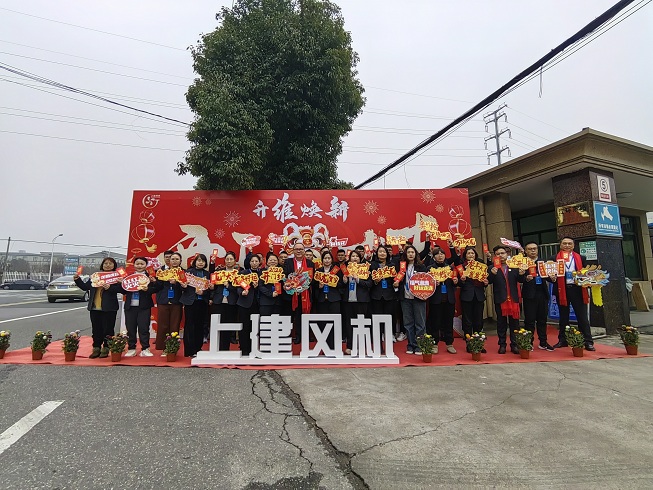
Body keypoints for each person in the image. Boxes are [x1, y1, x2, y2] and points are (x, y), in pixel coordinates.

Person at [550, 237, 595, 351]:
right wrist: (552, 278)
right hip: (562, 289)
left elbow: (587, 273)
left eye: (569, 243)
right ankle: (563, 340)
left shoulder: (581, 258)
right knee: (563, 317)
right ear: (560, 245)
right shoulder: (553, 258)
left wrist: (587, 278)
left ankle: (588, 341)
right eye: (564, 243)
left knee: (582, 317)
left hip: (578, 289)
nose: (567, 245)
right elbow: (548, 275)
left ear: (573, 245)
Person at [74, 257, 123, 359]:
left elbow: (123, 290)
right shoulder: (95, 276)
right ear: (102, 265)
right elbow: (85, 287)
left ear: (114, 265)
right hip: (95, 307)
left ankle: (106, 348)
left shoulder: (117, 277)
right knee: (96, 329)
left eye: (110, 263)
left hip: (109, 308)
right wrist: (77, 280)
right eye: (106, 263)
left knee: (108, 329)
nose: (108, 265)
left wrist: (111, 287)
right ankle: (96, 348)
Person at [489, 245, 525, 354]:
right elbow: (488, 281)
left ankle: (514, 344)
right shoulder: (492, 267)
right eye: (498, 254)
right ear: (495, 256)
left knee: (515, 323)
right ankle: (502, 344)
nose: (501, 255)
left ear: (507, 254)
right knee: (501, 323)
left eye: (502, 253)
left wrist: (522, 274)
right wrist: (492, 274)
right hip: (501, 298)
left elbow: (521, 280)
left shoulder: (514, 266)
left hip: (513, 298)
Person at [424, 246, 458, 354]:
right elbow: (426, 285)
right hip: (436, 299)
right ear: (434, 257)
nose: (440, 256)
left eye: (442, 254)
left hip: (449, 299)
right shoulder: (430, 269)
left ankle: (449, 343)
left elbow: (454, 284)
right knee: (435, 322)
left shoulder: (450, 268)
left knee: (449, 322)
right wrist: (433, 283)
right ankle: (435, 343)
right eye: (437, 254)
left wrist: (455, 282)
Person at [393, 245, 427, 355]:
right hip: (405, 298)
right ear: (405, 254)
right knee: (408, 323)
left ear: (415, 254)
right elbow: (398, 280)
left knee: (420, 323)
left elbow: (427, 282)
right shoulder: (401, 267)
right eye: (408, 252)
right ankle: (411, 345)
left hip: (418, 298)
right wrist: (396, 284)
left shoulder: (421, 267)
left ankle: (419, 345)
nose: (411, 254)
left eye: (412, 252)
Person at [122, 257, 159, 357]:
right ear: (134, 265)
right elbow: (122, 290)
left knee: (144, 328)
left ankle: (145, 348)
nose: (139, 266)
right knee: (130, 328)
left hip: (144, 306)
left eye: (142, 264)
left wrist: (149, 288)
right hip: (130, 306)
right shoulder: (128, 277)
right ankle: (131, 348)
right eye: (137, 264)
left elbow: (157, 288)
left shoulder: (150, 277)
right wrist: (121, 283)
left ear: (146, 265)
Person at [521, 241, 554, 351]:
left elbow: (549, 277)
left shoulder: (543, 262)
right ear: (526, 251)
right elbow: (518, 278)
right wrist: (525, 278)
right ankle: (528, 343)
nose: (533, 251)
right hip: (529, 295)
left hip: (542, 293)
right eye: (530, 249)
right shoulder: (522, 263)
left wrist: (553, 278)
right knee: (529, 320)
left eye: (534, 249)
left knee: (542, 319)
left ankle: (543, 342)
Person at [180, 254, 212, 357]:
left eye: (203, 261)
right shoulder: (188, 272)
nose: (200, 262)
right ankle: (190, 350)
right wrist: (184, 286)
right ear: (195, 262)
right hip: (190, 302)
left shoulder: (207, 274)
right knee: (190, 325)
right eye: (199, 260)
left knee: (200, 325)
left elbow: (211, 289)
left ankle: (198, 348)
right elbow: (182, 288)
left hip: (202, 302)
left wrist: (203, 293)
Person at [312, 251, 346, 350]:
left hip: (334, 299)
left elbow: (341, 285)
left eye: (329, 258)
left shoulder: (337, 270)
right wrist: (319, 286)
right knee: (323, 323)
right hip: (322, 300)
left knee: (334, 322)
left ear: (332, 260)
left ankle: (334, 346)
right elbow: (313, 284)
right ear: (322, 260)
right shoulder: (318, 271)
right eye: (325, 258)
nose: (327, 260)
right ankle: (324, 346)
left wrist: (333, 283)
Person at [457, 247, 488, 352]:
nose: (471, 255)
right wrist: (462, 280)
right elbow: (458, 283)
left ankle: (479, 344)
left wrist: (485, 283)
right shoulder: (462, 267)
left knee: (478, 321)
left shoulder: (481, 266)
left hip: (479, 295)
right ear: (465, 255)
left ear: (475, 255)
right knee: (467, 321)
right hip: (467, 295)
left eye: (472, 253)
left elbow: (485, 281)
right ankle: (469, 344)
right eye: (468, 253)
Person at [283, 243, 315, 344]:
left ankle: (306, 335)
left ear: (304, 251)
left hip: (306, 293)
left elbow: (312, 278)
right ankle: (296, 336)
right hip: (292, 294)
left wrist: (306, 284)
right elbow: (285, 276)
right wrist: (291, 284)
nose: (299, 251)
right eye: (296, 249)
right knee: (295, 315)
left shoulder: (310, 263)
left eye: (301, 249)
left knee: (305, 315)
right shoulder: (288, 262)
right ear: (293, 251)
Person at [343, 250, 373, 355]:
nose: (355, 258)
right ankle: (350, 346)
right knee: (349, 324)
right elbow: (339, 285)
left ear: (360, 259)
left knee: (361, 323)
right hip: (348, 301)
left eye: (357, 256)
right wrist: (344, 281)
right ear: (349, 258)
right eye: (353, 256)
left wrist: (358, 280)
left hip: (361, 300)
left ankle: (361, 345)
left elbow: (370, 284)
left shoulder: (365, 269)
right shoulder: (345, 269)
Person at [209, 251, 239, 351]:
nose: (229, 261)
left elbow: (239, 289)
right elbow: (213, 284)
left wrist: (228, 286)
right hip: (218, 302)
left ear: (235, 261)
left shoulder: (238, 273)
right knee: (216, 325)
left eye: (231, 259)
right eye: (227, 259)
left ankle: (225, 349)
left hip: (231, 302)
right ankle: (216, 348)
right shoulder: (219, 272)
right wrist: (212, 287)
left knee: (228, 326)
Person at [154, 252, 183, 354]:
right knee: (163, 325)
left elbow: (185, 288)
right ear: (169, 260)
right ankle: (163, 348)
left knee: (175, 326)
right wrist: (154, 281)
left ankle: (172, 348)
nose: (174, 261)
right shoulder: (162, 271)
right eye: (172, 259)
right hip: (163, 301)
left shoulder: (183, 272)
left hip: (176, 302)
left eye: (177, 259)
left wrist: (177, 283)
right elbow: (157, 287)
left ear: (180, 261)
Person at [369, 245, 398, 343]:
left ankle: (389, 334)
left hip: (389, 294)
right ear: (377, 253)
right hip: (376, 294)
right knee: (377, 316)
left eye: (384, 252)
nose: (382, 253)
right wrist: (375, 281)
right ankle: (379, 334)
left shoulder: (392, 265)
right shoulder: (372, 265)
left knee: (389, 315)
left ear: (387, 254)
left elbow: (396, 278)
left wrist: (396, 283)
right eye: (380, 251)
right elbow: (369, 279)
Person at [236, 254, 261, 356]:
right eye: (252, 261)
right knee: (244, 327)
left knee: (255, 327)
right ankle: (244, 348)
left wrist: (257, 286)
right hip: (244, 303)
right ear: (249, 263)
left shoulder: (262, 273)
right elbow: (238, 286)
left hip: (258, 304)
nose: (254, 263)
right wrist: (241, 292)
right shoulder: (244, 273)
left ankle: (254, 348)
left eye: (256, 261)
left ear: (259, 262)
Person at [258, 253, 282, 317]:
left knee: (277, 321)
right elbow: (260, 286)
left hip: (278, 302)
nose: (273, 261)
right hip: (266, 302)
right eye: (270, 260)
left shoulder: (281, 272)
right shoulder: (262, 272)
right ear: (267, 261)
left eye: (275, 260)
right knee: (265, 321)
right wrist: (271, 294)